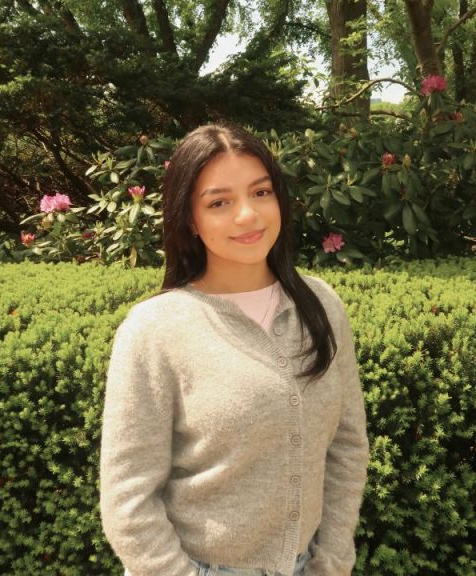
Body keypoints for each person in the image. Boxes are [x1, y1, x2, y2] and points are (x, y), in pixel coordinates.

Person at [99, 123, 369, 576]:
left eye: (261, 193)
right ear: (189, 219)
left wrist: (334, 561)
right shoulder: (156, 328)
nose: (248, 215)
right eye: (219, 202)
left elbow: (346, 446)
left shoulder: (321, 307)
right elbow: (128, 498)